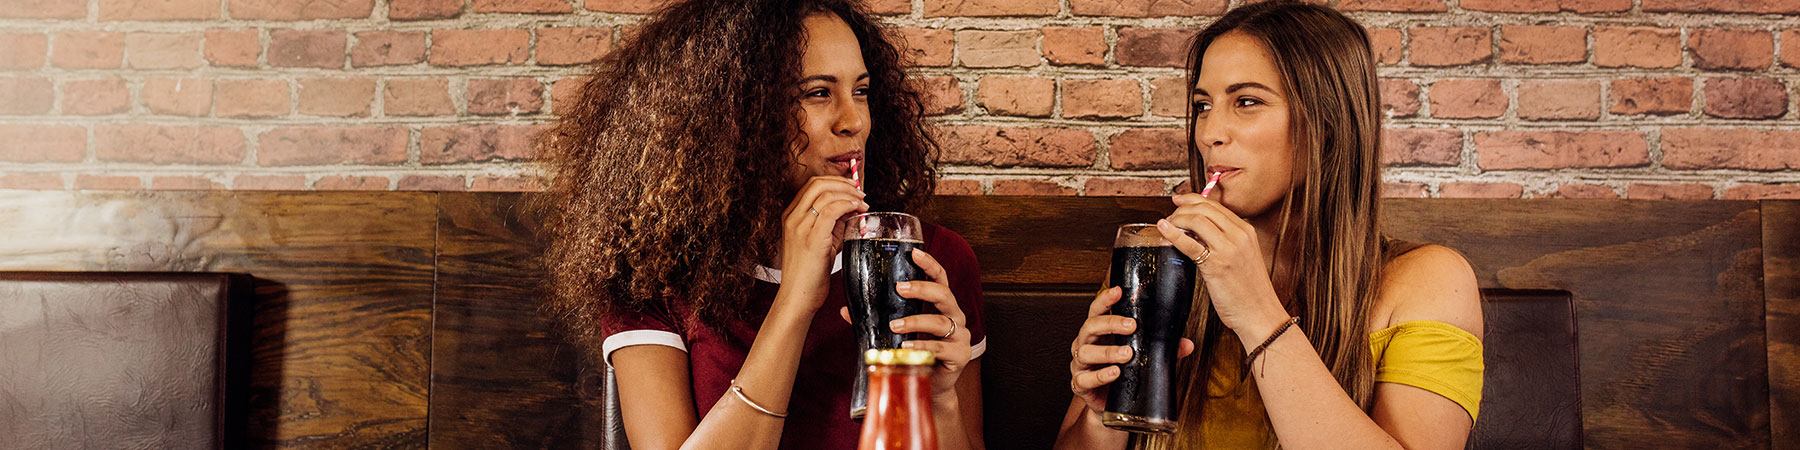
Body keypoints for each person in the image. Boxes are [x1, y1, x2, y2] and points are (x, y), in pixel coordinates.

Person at [536, 1, 986, 449]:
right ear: (734, 114)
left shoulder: (930, 259)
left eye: (862, 91)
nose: (855, 122)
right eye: (817, 93)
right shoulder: (648, 273)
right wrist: (794, 301)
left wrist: (942, 401)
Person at [1054, 2, 1484, 449]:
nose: (1209, 133)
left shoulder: (1430, 281)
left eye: (1246, 102)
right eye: (1203, 105)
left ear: (1328, 123)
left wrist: (1257, 314)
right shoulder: (1158, 269)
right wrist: (1101, 414)